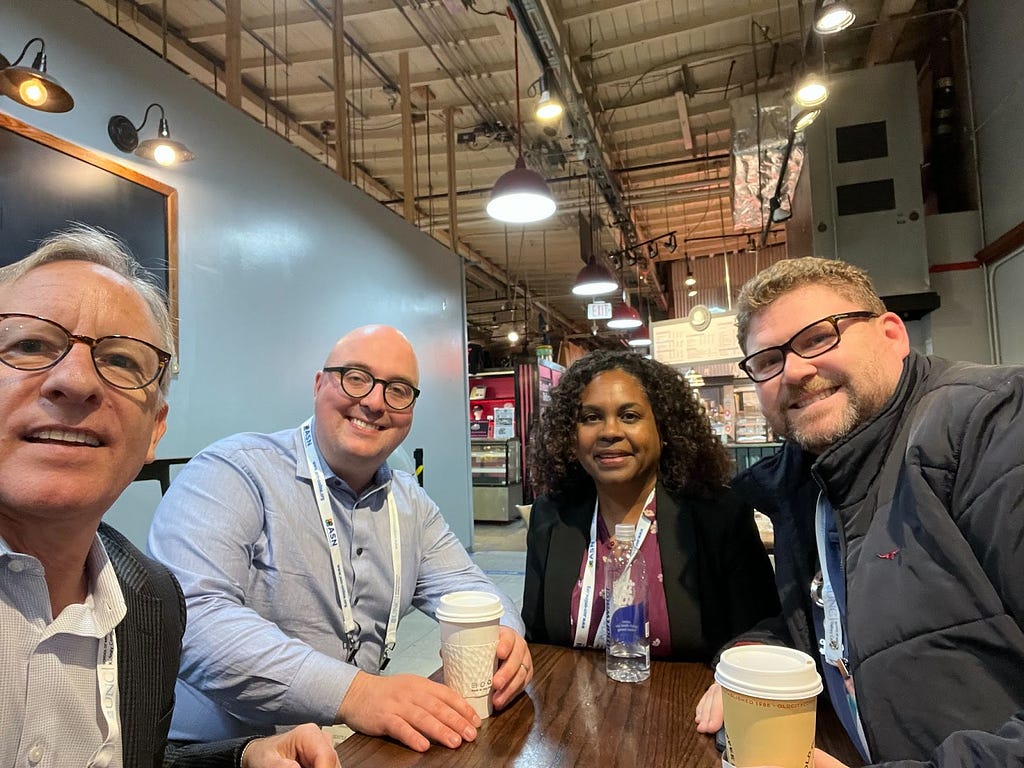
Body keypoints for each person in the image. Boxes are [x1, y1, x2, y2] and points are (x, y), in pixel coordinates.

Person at [0, 227, 338, 767]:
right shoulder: (237, 470)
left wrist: (241, 758)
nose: (76, 380)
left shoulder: (151, 599)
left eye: (120, 361)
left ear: (156, 428)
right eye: (31, 345)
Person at [693, 257, 1024, 767]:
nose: (796, 371)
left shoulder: (990, 426)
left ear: (891, 333)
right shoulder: (812, 478)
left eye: (818, 338)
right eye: (766, 361)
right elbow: (839, 621)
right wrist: (756, 649)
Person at [148, 324, 532, 753]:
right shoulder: (233, 473)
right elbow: (192, 619)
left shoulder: (410, 503)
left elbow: (469, 588)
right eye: (355, 377)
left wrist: (505, 640)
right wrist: (358, 693)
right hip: (219, 753)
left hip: (349, 746)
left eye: (399, 390)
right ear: (319, 384)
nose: (372, 402)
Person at [522, 349, 779, 660]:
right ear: (570, 435)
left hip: (689, 704)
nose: (610, 432)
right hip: (577, 703)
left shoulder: (718, 516)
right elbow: (536, 638)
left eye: (629, 416)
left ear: (663, 428)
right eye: (591, 417)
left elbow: (762, 631)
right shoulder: (551, 516)